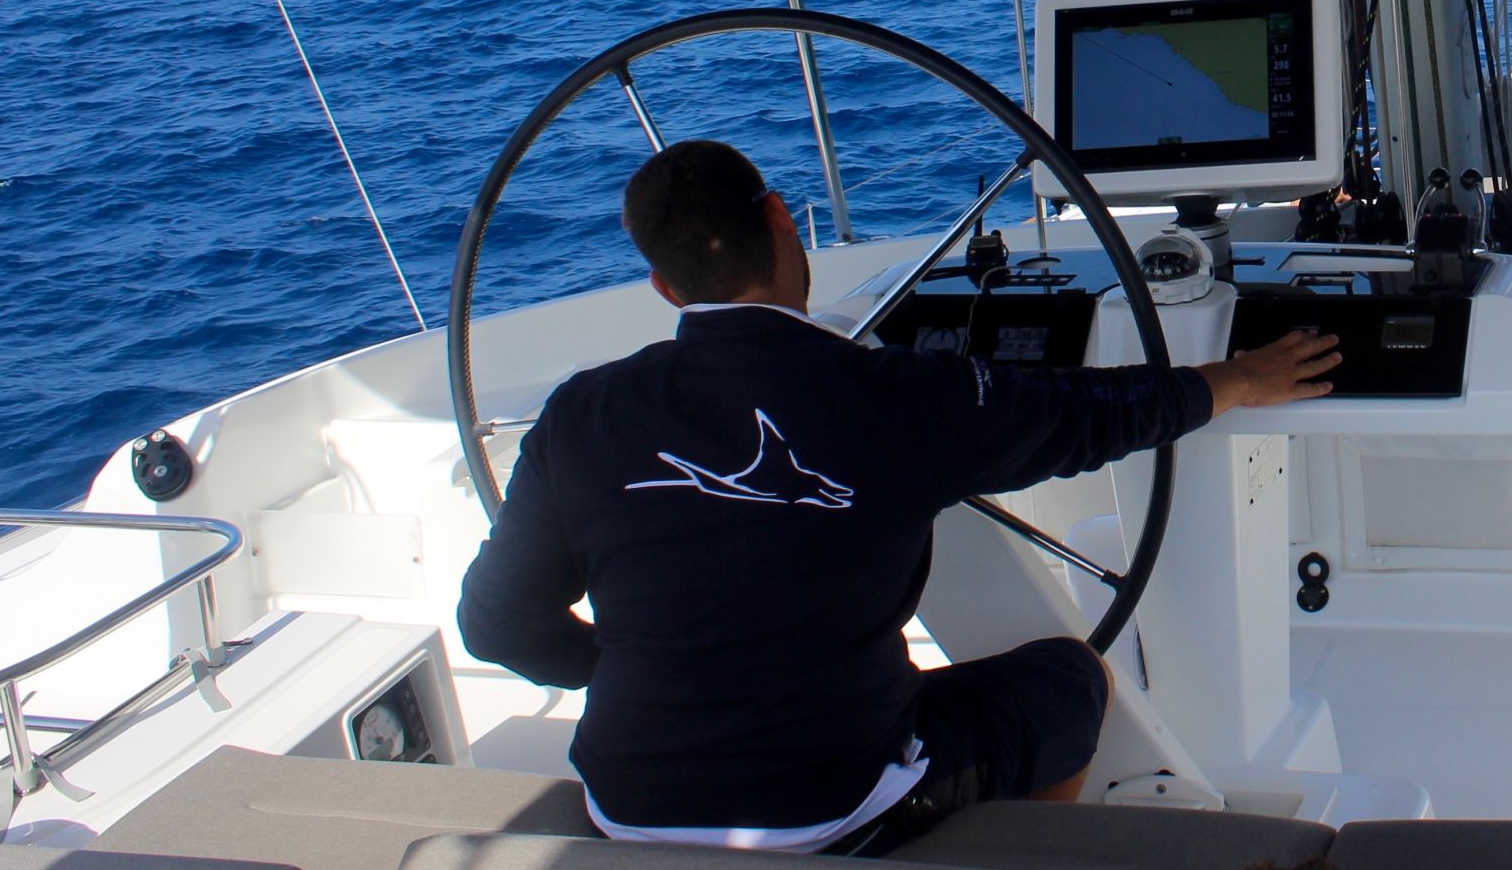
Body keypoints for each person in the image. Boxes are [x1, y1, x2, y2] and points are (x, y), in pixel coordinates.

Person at [457, 139, 1340, 853]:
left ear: (664, 285)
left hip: (627, 804)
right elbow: (1091, 416)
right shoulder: (896, 396)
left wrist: (633, 672)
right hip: (831, 806)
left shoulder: (580, 413)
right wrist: (1236, 379)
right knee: (1070, 681)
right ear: (780, 219)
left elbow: (495, 625)